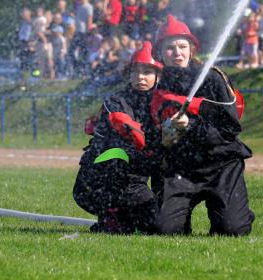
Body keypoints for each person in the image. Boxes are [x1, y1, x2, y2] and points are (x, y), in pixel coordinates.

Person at [151, 15, 253, 236]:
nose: (177, 53)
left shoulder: (213, 79)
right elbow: (154, 133)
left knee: (232, 230)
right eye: (170, 48)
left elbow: (230, 129)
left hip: (221, 165)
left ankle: (235, 212)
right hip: (181, 169)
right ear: (160, 53)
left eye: (182, 46)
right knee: (164, 229)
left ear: (192, 49)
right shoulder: (157, 86)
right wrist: (165, 132)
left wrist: (191, 125)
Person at [74, 41, 163, 234]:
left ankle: (120, 218)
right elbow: (128, 140)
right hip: (97, 181)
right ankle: (111, 214)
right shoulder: (116, 101)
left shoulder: (163, 103)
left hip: (135, 179)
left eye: (147, 72)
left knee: (158, 225)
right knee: (117, 155)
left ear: (158, 76)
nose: (140, 77)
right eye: (135, 72)